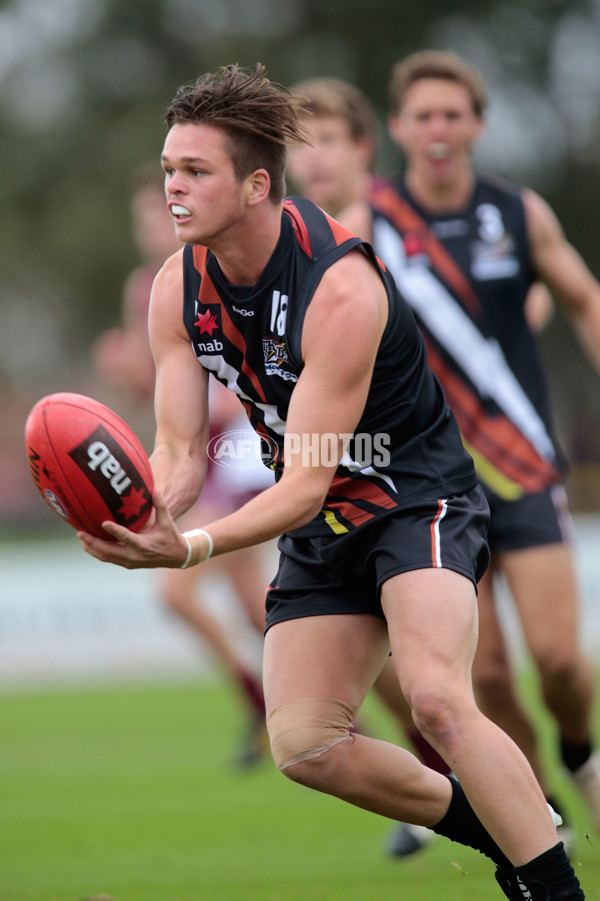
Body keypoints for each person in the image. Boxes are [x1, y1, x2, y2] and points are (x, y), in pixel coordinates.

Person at [78, 63, 585, 900]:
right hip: (322, 524)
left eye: (195, 171)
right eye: (169, 169)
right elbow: (179, 451)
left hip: (415, 496)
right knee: (306, 745)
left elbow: (308, 481)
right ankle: (503, 831)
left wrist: (191, 545)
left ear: (256, 184)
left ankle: (554, 886)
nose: (173, 188)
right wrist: (142, 515)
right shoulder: (176, 286)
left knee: (436, 698)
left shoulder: (338, 286)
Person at [286, 74, 562, 859]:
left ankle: (562, 764)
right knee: (461, 676)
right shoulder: (288, 253)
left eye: (328, 141)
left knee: (543, 666)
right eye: (298, 145)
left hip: (476, 468)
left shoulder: (399, 229)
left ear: (365, 149)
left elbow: (507, 302)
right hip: (374, 479)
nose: (314, 160)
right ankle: (518, 805)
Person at [365, 50, 600, 849]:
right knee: (488, 676)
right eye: (422, 115)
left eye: (452, 115)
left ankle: (582, 751)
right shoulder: (369, 223)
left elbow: (584, 298)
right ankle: (543, 813)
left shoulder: (517, 211)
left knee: (562, 660)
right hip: (435, 478)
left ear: (476, 125)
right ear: (397, 127)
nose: (438, 129)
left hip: (524, 463)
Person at [92, 164, 273, 766]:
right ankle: (316, 709)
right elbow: (162, 392)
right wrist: (123, 371)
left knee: (176, 593)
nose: (154, 227)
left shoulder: (218, 269)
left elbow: (235, 378)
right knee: (261, 609)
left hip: (238, 449)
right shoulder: (146, 288)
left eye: (159, 213)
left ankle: (266, 704)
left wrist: (232, 391)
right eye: (143, 218)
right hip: (197, 452)